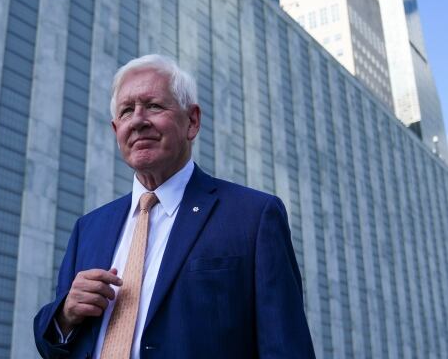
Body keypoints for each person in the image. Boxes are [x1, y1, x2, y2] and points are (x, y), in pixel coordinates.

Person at [34, 54, 315, 358]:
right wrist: (65, 316)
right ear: (117, 131)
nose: (139, 121)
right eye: (127, 111)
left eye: (154, 106)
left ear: (192, 121)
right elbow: (57, 347)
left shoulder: (254, 217)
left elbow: (286, 346)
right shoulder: (88, 228)